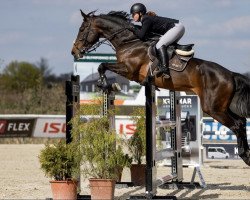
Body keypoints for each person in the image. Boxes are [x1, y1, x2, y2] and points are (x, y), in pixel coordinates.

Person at [130, 3, 185, 78]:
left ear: (140, 13)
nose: (132, 16)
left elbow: (141, 36)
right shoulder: (146, 19)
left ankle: (165, 69)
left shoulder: (146, 19)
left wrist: (133, 28)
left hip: (176, 28)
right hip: (178, 27)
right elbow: (145, 34)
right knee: (167, 47)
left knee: (159, 45)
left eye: (134, 14)